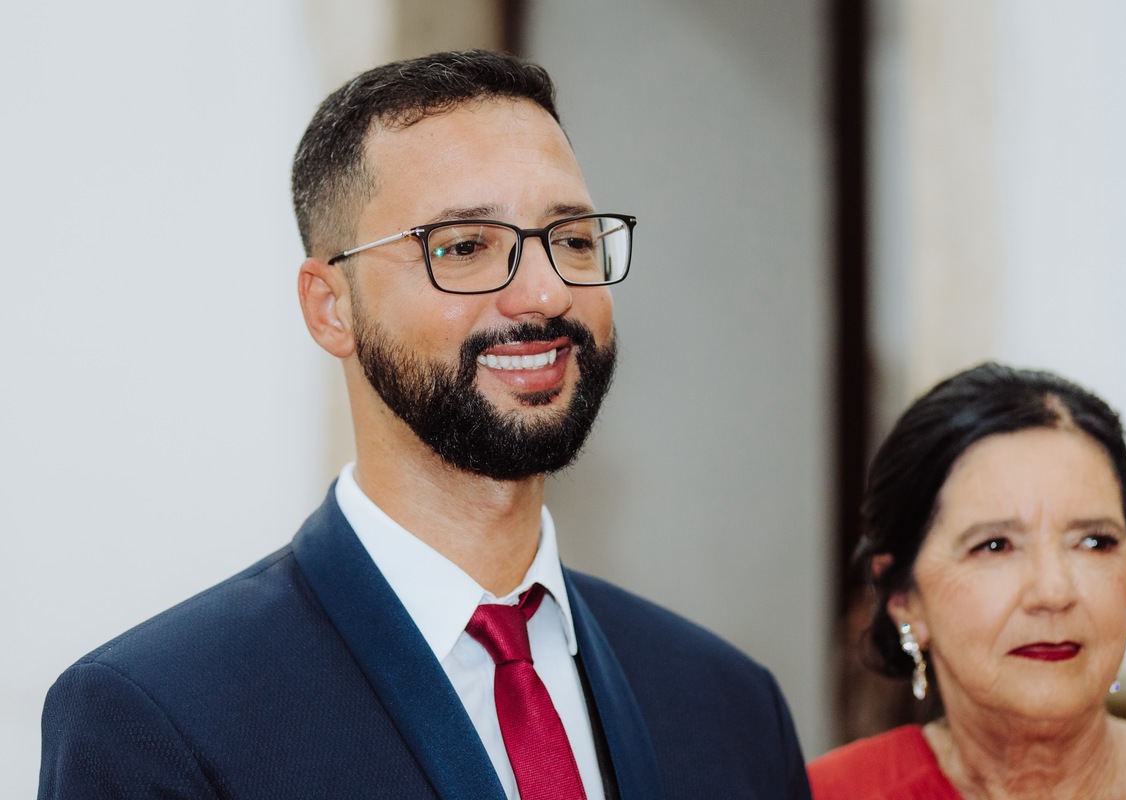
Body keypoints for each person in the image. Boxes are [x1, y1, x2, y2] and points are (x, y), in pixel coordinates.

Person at [37, 50, 810, 800]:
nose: (544, 293)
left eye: (572, 240)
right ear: (330, 306)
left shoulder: (729, 706)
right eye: (467, 247)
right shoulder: (160, 718)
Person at [809, 362, 1126, 799]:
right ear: (904, 597)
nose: (1054, 592)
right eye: (995, 546)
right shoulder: (827, 793)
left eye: (1094, 542)